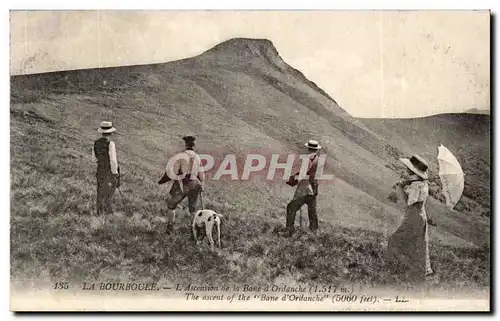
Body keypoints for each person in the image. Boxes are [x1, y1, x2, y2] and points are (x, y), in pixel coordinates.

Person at [386, 155, 434, 280]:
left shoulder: (417, 186)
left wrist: (402, 187)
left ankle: (395, 269)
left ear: (414, 173)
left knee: (395, 240)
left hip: (414, 217)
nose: (406, 172)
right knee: (416, 243)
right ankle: (414, 271)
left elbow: (409, 202)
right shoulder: (420, 184)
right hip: (419, 217)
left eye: (408, 170)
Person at [158, 135, 205, 233]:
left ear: (186, 144)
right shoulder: (198, 157)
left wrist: (162, 180)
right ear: (194, 145)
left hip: (182, 183)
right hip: (195, 183)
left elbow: (172, 171)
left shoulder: (181, 156)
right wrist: (202, 185)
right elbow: (201, 175)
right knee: (193, 209)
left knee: (171, 204)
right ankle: (194, 230)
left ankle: (170, 227)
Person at [280, 139, 321, 237]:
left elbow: (303, 174)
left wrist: (292, 179)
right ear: (316, 149)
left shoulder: (307, 160)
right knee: (312, 212)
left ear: (308, 148)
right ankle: (314, 232)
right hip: (312, 189)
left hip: (304, 189)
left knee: (291, 208)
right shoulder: (317, 159)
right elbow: (313, 176)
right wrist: (315, 189)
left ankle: (289, 231)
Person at [93, 121, 120, 215]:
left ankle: (99, 212)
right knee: (109, 193)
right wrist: (115, 172)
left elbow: (94, 158)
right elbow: (113, 160)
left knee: (100, 191)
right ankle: (108, 213)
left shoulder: (96, 143)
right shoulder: (110, 144)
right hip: (108, 171)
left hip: (100, 170)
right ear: (111, 132)